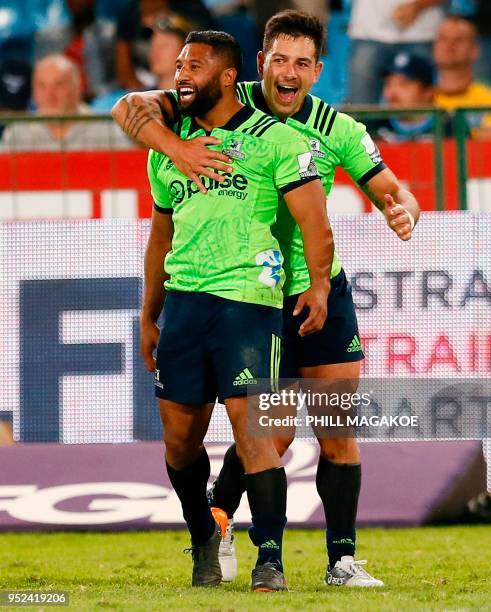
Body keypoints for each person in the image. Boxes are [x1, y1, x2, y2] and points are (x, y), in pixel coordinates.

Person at [111, 9, 420, 588]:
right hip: (251, 293)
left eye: (302, 63)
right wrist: (174, 149)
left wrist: (403, 208)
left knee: (336, 423)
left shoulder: (339, 129)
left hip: (314, 288)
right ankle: (224, 525)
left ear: (317, 71)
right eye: (279, 58)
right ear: (258, 64)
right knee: (269, 431)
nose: (289, 71)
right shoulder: (219, 95)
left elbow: (390, 188)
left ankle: (341, 562)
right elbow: (131, 106)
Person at [134, 30, 333, 591]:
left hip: (250, 302)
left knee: (258, 435)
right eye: (177, 65)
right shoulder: (168, 146)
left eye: (193, 66)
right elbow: (159, 237)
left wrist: (318, 285)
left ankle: (270, 558)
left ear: (225, 76)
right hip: (185, 306)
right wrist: (150, 315)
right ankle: (203, 537)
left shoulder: (278, 140)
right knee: (179, 440)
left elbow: (315, 221)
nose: (180, 75)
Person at [2, 55, 131, 151]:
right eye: (42, 86)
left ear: (77, 88)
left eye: (59, 85)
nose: (50, 95)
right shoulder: (17, 132)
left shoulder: (105, 130)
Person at [347, 0, 446, 103]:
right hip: (368, 32)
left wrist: (419, 5)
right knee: (361, 108)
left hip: (423, 33)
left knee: (426, 110)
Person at [433, 14, 491, 137]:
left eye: (459, 39)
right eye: (443, 39)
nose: (449, 45)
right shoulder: (419, 100)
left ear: (475, 50)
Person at [372, 52, 436, 142]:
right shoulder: (372, 131)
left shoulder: (449, 131)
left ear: (428, 92)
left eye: (403, 84)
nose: (392, 93)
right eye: (388, 84)